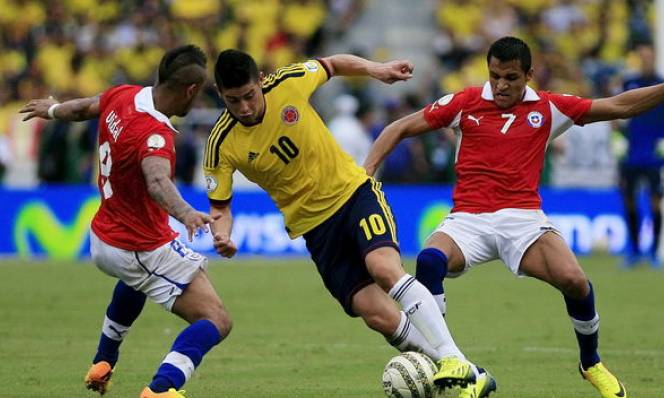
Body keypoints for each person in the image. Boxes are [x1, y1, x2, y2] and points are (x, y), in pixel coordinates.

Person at [362, 36, 664, 398]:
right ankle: (454, 365)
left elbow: (620, 106)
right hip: (468, 220)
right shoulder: (465, 102)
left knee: (575, 281)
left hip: (523, 220)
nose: (501, 85)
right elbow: (397, 129)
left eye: (510, 77)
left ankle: (592, 363)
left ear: (529, 75)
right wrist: (365, 177)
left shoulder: (550, 108)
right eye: (494, 76)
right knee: (429, 260)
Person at [203, 49, 495, 396]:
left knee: (384, 268)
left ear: (261, 82)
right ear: (221, 94)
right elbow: (220, 205)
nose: (245, 107)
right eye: (234, 100)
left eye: (250, 96)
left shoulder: (288, 83)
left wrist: (377, 69)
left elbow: (333, 63)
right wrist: (222, 235)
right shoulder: (220, 143)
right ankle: (470, 375)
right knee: (378, 316)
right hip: (315, 229)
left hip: (353, 194)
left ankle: (452, 358)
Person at [20, 45, 231, 398]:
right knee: (216, 320)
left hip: (104, 235)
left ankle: (103, 360)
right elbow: (158, 181)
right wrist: (187, 213)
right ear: (191, 90)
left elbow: (85, 107)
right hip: (139, 246)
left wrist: (52, 109)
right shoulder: (154, 135)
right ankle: (161, 390)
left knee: (136, 283)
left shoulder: (125, 95)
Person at [619, 43, 664, 268]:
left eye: (649, 56)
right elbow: (618, 115)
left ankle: (654, 251)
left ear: (654, 58)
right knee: (630, 203)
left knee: (655, 203)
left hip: (654, 154)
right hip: (631, 154)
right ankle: (634, 250)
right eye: (642, 56)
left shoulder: (661, 84)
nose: (645, 60)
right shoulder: (629, 83)